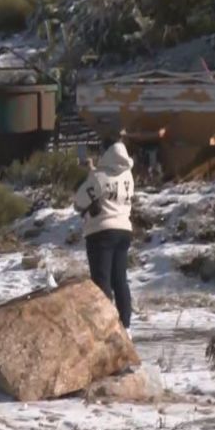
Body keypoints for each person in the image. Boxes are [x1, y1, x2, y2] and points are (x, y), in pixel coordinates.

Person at [75, 135, 135, 329]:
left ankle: (106, 326)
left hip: (101, 232)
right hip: (124, 229)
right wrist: (93, 171)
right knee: (120, 281)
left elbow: (79, 202)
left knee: (102, 282)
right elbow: (109, 183)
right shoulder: (128, 175)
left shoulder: (98, 176)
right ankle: (125, 327)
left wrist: (90, 174)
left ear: (106, 152)